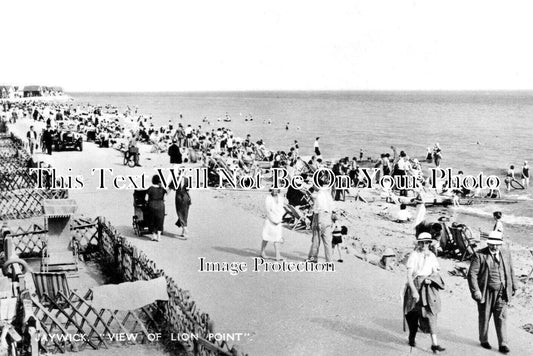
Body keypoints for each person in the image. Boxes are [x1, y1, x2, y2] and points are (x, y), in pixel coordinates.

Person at [467, 231, 516, 354]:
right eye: (492, 244)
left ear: (500, 244)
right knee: (484, 317)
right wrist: (476, 291)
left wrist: (514, 285)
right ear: (488, 243)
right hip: (485, 292)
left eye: (497, 245)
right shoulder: (479, 255)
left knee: (501, 317)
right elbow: (472, 274)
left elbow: (510, 269)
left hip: (502, 291)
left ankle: (503, 343)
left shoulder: (506, 253)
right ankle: (484, 340)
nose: (494, 247)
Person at [404, 232, 445, 353]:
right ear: (419, 243)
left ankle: (434, 344)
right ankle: (412, 336)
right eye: (422, 243)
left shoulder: (432, 256)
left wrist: (430, 279)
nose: (424, 245)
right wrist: (414, 291)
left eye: (427, 242)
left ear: (429, 243)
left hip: (428, 287)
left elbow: (435, 272)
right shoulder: (414, 255)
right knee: (413, 313)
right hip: (416, 284)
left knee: (431, 313)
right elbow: (409, 276)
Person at [307, 178, 334, 263]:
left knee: (316, 240)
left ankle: (313, 258)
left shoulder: (319, 195)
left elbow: (320, 209)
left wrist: (318, 222)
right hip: (328, 217)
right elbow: (332, 207)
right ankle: (329, 260)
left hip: (320, 217)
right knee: (327, 242)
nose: (313, 186)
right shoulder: (327, 194)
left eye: (314, 184)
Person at [260, 188, 285, 261]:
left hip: (278, 220)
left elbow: (281, 208)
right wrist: (273, 220)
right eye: (273, 189)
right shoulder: (268, 198)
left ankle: (278, 255)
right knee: (266, 237)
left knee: (277, 238)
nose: (275, 191)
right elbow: (268, 211)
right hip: (270, 220)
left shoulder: (280, 198)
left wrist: (279, 219)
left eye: (276, 189)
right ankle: (262, 252)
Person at [146, 175, 166, 241]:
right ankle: (159, 237)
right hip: (161, 205)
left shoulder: (150, 188)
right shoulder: (162, 188)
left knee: (152, 220)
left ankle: (154, 235)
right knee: (160, 220)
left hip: (152, 205)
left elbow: (146, 198)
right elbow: (166, 196)